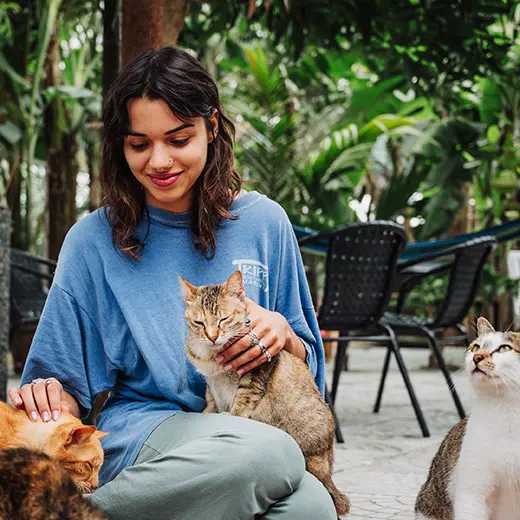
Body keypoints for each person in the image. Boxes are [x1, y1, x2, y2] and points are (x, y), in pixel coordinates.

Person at [9, 47, 336, 520]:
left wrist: (283, 333)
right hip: (143, 428)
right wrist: (48, 395)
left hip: (254, 422)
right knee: (269, 456)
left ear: (213, 127)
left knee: (312, 510)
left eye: (179, 139)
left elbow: (310, 372)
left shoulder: (265, 223)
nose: (159, 161)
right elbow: (61, 385)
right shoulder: (91, 241)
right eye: (139, 144)